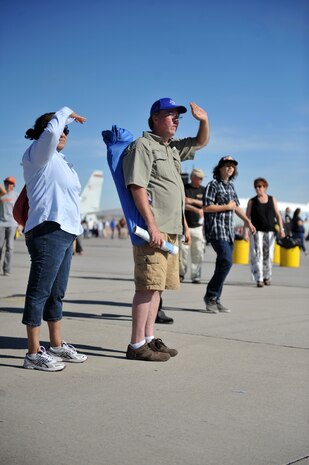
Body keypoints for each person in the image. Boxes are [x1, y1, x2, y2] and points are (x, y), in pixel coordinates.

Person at [122, 97, 210, 361]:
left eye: (178, 116)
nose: (176, 119)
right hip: (153, 231)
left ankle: (149, 339)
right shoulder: (143, 146)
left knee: (158, 288)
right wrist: (152, 225)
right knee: (146, 287)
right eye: (170, 115)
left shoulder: (171, 148)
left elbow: (201, 142)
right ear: (155, 119)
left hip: (169, 230)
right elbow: (136, 186)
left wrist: (204, 120)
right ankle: (136, 345)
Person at [21, 106, 88, 371]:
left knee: (56, 294)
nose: (63, 133)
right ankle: (32, 353)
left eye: (67, 131)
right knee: (39, 292)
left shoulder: (64, 163)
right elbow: (50, 132)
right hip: (46, 230)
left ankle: (57, 345)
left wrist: (74, 235)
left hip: (64, 232)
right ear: (47, 131)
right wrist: (67, 112)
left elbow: (71, 202)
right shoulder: (38, 154)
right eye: (60, 128)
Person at [203, 156, 256, 313]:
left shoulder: (231, 187)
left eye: (232, 165)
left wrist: (248, 221)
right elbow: (206, 207)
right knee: (226, 261)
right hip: (216, 230)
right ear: (219, 168)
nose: (230, 167)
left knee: (223, 264)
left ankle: (216, 299)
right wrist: (226, 206)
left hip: (228, 232)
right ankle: (210, 296)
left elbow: (236, 207)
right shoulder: (213, 185)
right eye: (227, 165)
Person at [244, 178, 285, 288]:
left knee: (269, 256)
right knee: (258, 255)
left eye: (260, 186)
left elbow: (278, 215)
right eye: (256, 186)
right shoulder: (252, 201)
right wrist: (245, 232)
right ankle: (259, 278)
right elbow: (246, 218)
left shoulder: (272, 199)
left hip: (270, 232)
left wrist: (282, 229)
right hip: (257, 232)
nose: (258, 188)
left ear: (265, 187)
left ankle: (267, 276)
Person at [179, 168, 206, 284]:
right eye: (199, 178)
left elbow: (206, 204)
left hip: (198, 227)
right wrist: (195, 207)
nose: (200, 180)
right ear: (193, 177)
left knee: (198, 252)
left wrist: (192, 201)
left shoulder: (204, 190)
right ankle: (180, 273)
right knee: (182, 251)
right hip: (185, 227)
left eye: (202, 178)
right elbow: (182, 203)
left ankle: (196, 275)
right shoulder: (185, 188)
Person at [0, 176, 19, 276]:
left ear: (13, 185)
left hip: (12, 223)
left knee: (9, 247)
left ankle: (6, 269)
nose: (8, 184)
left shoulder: (16, 195)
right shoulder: (1, 195)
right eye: (6, 183)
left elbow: (19, 210)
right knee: (0, 246)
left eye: (10, 183)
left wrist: (20, 224)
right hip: (1, 223)